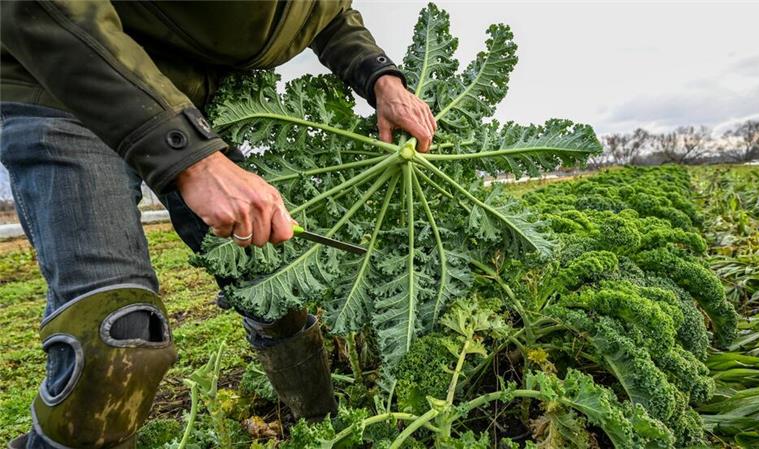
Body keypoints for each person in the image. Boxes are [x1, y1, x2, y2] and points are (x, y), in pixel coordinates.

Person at [0, 2, 436, 448]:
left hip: (183, 104)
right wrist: (191, 161)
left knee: (272, 289)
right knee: (115, 338)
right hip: (66, 79)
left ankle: (324, 432)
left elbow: (326, 12)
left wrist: (381, 77)